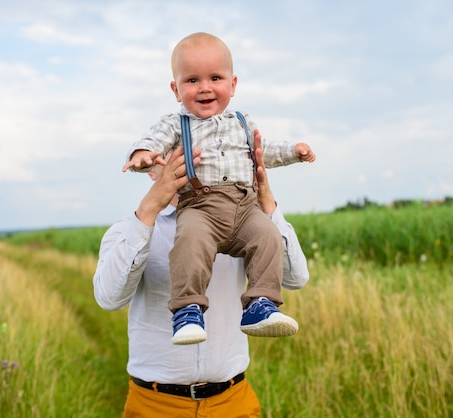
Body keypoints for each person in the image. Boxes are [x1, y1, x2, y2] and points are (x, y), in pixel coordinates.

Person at [93, 134, 309, 417]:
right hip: (156, 404)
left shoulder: (242, 225)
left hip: (233, 399)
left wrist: (266, 201)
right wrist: (148, 210)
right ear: (152, 170)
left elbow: (295, 278)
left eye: (201, 155)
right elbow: (109, 298)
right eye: (177, 156)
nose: (192, 164)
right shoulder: (128, 229)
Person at [122, 32, 316, 345]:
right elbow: (152, 141)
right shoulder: (175, 124)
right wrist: (142, 156)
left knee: (267, 236)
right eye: (192, 80)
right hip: (200, 207)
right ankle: (187, 310)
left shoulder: (242, 121)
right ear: (176, 89)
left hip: (245, 206)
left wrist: (295, 151)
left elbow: (262, 151)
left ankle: (259, 305)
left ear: (233, 84)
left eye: (215, 77)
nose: (205, 87)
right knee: (190, 242)